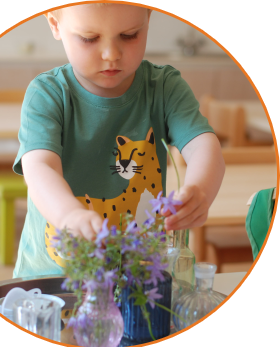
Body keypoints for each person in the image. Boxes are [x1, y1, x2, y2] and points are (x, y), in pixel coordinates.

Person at [12, 3, 225, 278]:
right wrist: (68, 216)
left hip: (138, 277)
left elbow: (203, 145)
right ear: (55, 25)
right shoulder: (48, 93)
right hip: (53, 277)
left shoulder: (165, 87)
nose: (111, 54)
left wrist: (201, 190)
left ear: (149, 17)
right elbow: (40, 167)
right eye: (89, 38)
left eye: (129, 35)